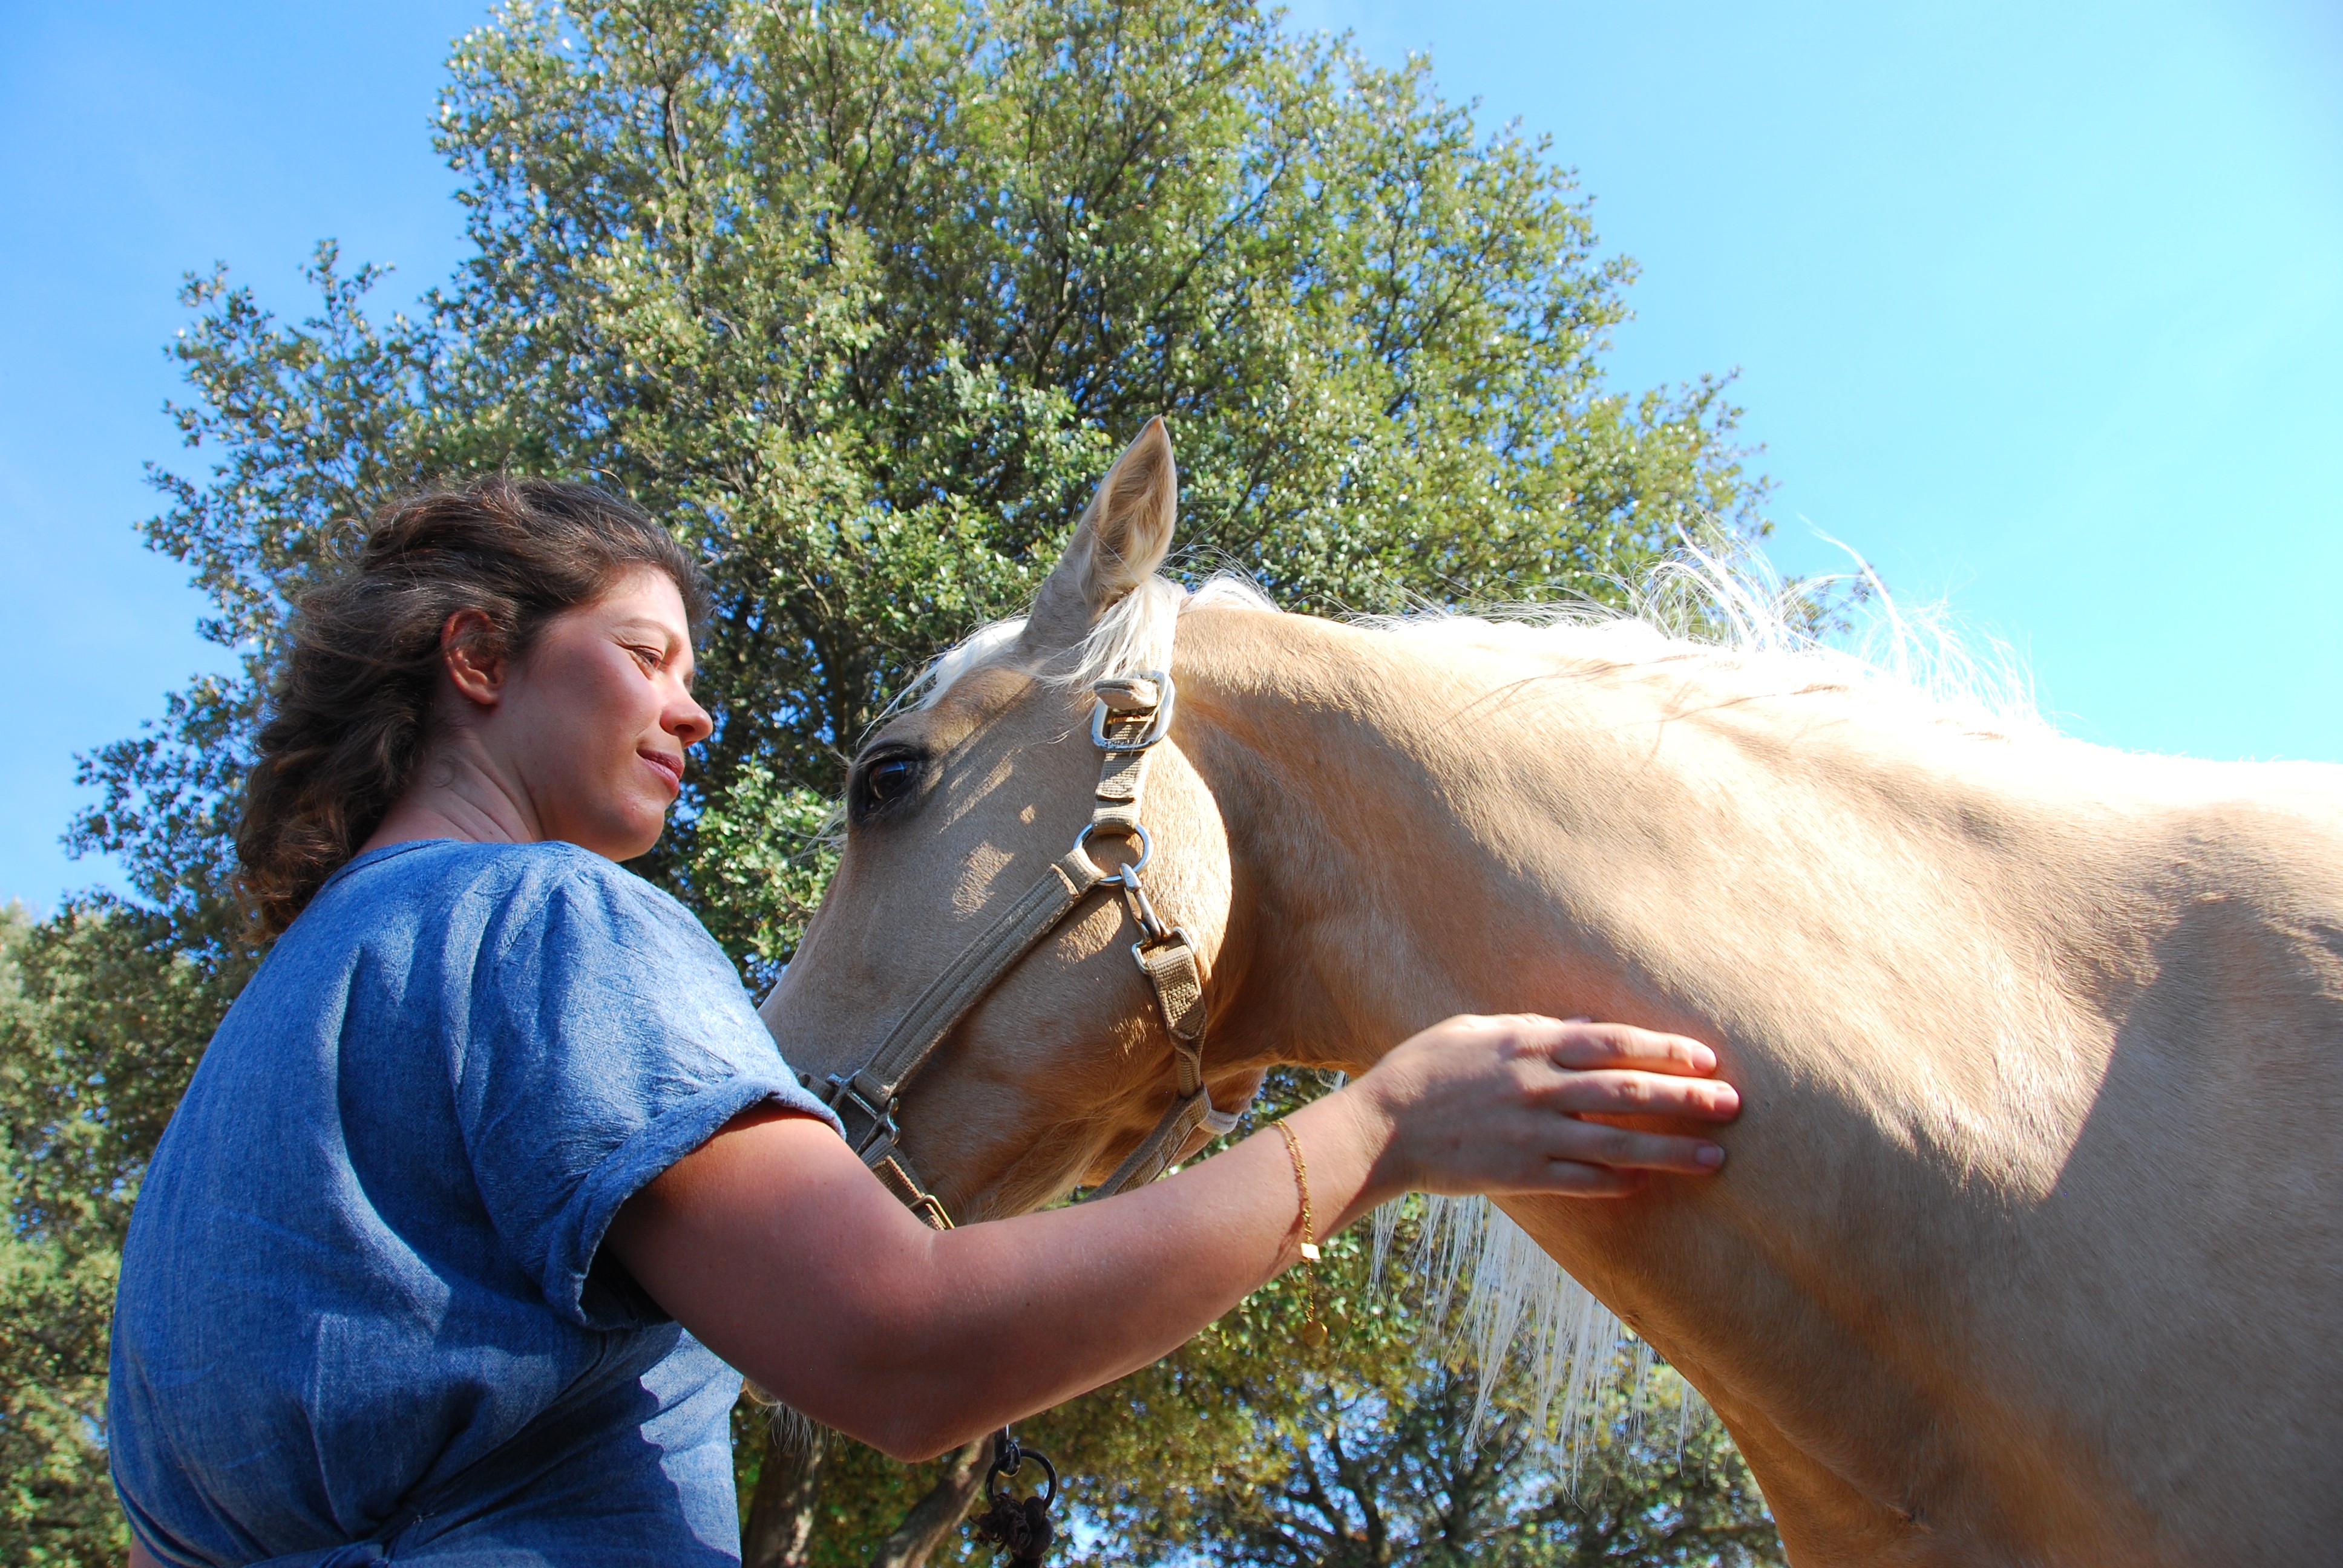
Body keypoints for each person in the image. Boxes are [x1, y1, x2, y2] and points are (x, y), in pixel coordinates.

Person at [108, 479, 1742, 1568]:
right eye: (644, 655)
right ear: (479, 656)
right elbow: (898, 1344)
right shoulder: (546, 923)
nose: (693, 708)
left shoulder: (268, 1043)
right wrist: (1382, 1132)